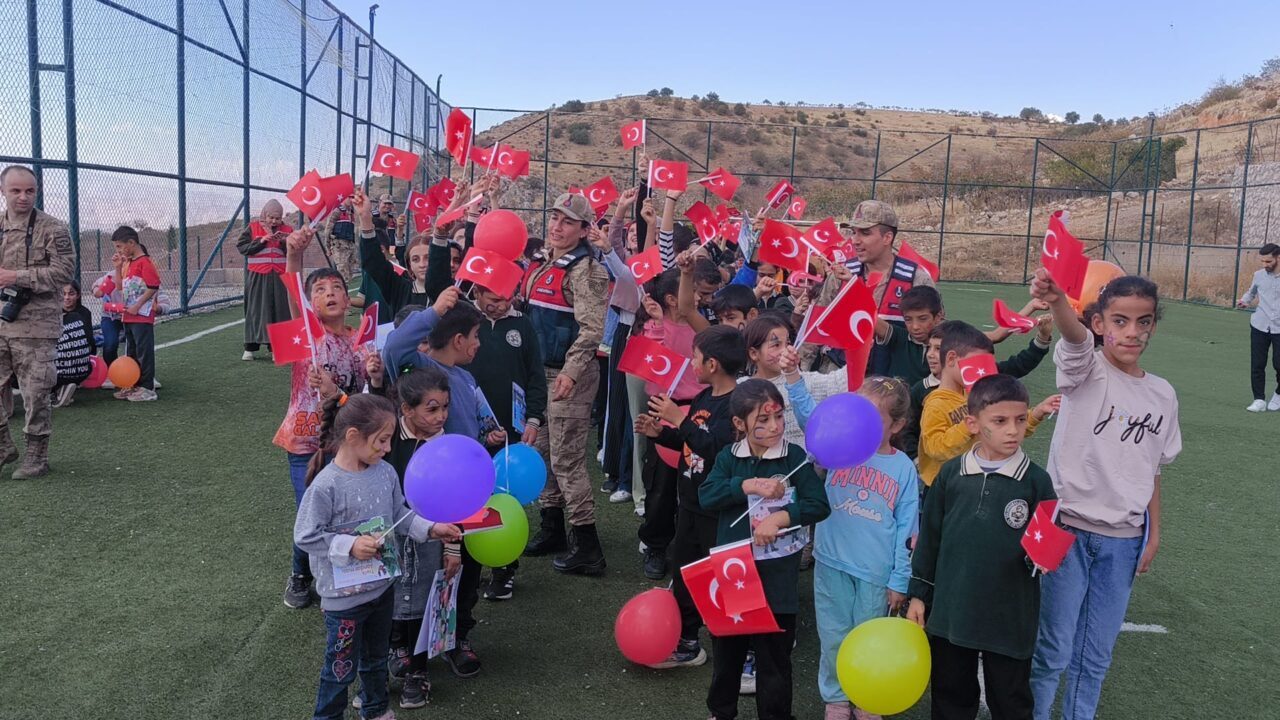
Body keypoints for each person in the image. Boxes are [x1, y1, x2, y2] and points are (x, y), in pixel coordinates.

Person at [1028, 273, 1182, 720]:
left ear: (1153, 325)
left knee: (1094, 657)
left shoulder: (1163, 395)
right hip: (1064, 532)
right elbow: (1074, 340)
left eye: (1143, 321)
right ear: (1099, 323)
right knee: (1053, 650)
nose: (1132, 332)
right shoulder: (1086, 370)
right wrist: (1058, 302)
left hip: (1124, 542)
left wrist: (1152, 534)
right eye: (1120, 320)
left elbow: (1152, 468)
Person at [293, 391, 461, 720]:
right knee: (339, 669)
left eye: (388, 441)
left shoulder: (384, 472)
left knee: (375, 661)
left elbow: (401, 514)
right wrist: (350, 546)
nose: (387, 449)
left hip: (382, 590)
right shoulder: (326, 485)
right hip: (344, 603)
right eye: (382, 441)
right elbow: (306, 535)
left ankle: (375, 710)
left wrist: (433, 529)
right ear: (353, 436)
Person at [907, 374, 1057, 720]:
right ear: (973, 424)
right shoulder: (951, 475)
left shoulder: (1037, 482)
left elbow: (1047, 545)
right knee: (950, 697)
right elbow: (929, 539)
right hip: (952, 612)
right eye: (1000, 421)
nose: (1013, 430)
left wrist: (1047, 557)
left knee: (1011, 700)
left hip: (1009, 617)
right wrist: (919, 594)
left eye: (1020, 420)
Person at [698, 379, 831, 720]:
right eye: (763, 420)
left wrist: (783, 517)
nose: (774, 426)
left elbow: (819, 505)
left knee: (775, 660)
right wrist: (745, 485)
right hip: (735, 570)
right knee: (728, 653)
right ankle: (721, 711)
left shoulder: (795, 457)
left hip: (777, 579)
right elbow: (706, 496)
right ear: (740, 424)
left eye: (778, 416)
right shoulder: (730, 457)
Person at [274, 226, 381, 610]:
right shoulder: (307, 334)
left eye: (336, 287)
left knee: (347, 511)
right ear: (311, 304)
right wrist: (294, 255)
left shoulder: (363, 340)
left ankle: (344, 571)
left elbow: (371, 400)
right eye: (319, 290)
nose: (330, 293)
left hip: (349, 443)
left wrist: (373, 374)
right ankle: (300, 574)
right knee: (312, 512)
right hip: (305, 442)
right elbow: (292, 287)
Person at [636, 325, 745, 669]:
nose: (690, 363)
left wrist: (679, 419)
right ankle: (687, 643)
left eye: (695, 357)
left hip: (719, 512)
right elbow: (690, 443)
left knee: (728, 581)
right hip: (690, 506)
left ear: (712, 364)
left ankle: (742, 649)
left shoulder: (737, 406)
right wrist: (661, 433)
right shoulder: (703, 397)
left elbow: (718, 449)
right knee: (685, 575)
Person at [814, 376, 919, 720]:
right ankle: (837, 698)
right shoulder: (840, 448)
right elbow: (808, 420)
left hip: (875, 573)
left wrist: (899, 581)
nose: (860, 423)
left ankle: (866, 698)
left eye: (873, 418)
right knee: (832, 636)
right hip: (831, 562)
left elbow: (908, 530)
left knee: (869, 640)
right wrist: (793, 379)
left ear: (898, 425)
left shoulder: (903, 468)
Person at [520, 192, 610, 576]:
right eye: (555, 218)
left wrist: (571, 371)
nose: (557, 226)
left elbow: (592, 330)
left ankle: (587, 544)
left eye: (568, 221)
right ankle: (553, 526)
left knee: (567, 459)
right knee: (542, 451)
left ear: (584, 229)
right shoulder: (544, 262)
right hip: (540, 373)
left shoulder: (585, 269)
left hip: (567, 374)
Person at [463, 282, 548, 601]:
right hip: (472, 430)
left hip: (511, 433)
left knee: (505, 497)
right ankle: (471, 561)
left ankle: (504, 567)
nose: (500, 304)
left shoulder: (523, 325)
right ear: (478, 295)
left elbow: (535, 376)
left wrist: (534, 419)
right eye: (493, 298)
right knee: (473, 494)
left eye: (505, 298)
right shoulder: (467, 323)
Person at [382, 366, 456, 708]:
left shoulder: (447, 446)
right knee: (385, 602)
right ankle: (378, 670)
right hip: (387, 536)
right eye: (431, 408)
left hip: (432, 535)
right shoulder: (385, 438)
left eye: (444, 407)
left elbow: (459, 500)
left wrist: (453, 547)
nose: (440, 416)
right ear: (406, 410)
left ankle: (418, 672)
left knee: (426, 603)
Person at [916, 321, 1059, 488]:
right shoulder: (936, 404)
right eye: (976, 363)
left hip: (975, 483)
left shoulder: (973, 394)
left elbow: (1001, 428)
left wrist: (1037, 413)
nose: (982, 370)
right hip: (944, 489)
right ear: (951, 359)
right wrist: (969, 425)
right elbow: (935, 449)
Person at [0, 165, 75, 477]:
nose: (23, 197)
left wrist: (16, 277)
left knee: (35, 392)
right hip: (2, 319)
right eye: (16, 191)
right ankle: (3, 445)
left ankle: (36, 456)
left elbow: (64, 273)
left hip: (38, 326)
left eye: (29, 191)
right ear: (3, 191)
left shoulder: (53, 228)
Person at [635, 268, 707, 580]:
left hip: (699, 410)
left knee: (697, 477)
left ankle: (693, 541)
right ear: (671, 299)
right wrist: (659, 326)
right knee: (662, 482)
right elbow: (649, 363)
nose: (698, 296)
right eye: (690, 290)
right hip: (664, 408)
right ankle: (655, 544)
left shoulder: (701, 326)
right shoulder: (653, 327)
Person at [811, 200, 935, 375]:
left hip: (894, 383)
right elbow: (816, 325)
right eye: (853, 233)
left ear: (887, 237)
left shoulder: (916, 279)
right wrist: (803, 370)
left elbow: (937, 334)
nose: (855, 241)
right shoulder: (840, 275)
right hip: (841, 376)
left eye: (865, 233)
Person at [355, 187, 437, 318]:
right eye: (416, 259)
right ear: (409, 265)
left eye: (428, 257)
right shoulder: (399, 289)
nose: (423, 264)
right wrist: (365, 218)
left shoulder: (447, 292)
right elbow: (374, 262)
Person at [236, 199, 293, 361]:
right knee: (255, 310)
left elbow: (295, 251)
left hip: (280, 276)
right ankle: (250, 348)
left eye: (277, 218)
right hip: (257, 275)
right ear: (264, 214)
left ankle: (276, 349)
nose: (274, 221)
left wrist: (284, 242)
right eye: (271, 217)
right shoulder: (253, 227)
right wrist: (261, 241)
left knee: (280, 311)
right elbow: (242, 247)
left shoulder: (288, 229)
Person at [111, 227, 162, 402]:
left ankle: (147, 387)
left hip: (141, 316)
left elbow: (153, 286)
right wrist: (118, 268)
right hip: (129, 316)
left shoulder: (144, 262)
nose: (118, 251)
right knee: (131, 351)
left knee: (143, 351)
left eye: (119, 246)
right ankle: (132, 384)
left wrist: (137, 306)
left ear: (131, 243)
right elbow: (119, 287)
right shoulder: (128, 263)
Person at [1237, 242, 1280, 412]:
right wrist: (1245, 301)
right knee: (1257, 364)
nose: (1265, 265)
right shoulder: (1259, 275)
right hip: (1259, 325)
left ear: (1278, 258)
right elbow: (1252, 292)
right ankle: (1259, 400)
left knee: (1279, 364)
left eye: (1268, 262)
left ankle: (1278, 393)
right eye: (1262, 261)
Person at [53, 282, 95, 408]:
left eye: (71, 294)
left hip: (60, 367)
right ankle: (64, 387)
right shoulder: (84, 313)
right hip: (83, 370)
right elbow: (90, 341)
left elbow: (89, 340)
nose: (66, 297)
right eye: (63, 294)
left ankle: (53, 392)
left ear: (78, 295)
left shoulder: (84, 313)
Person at [91, 271, 124, 366]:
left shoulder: (138, 276)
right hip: (110, 316)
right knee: (110, 344)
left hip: (132, 315)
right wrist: (98, 291)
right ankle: (112, 369)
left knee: (136, 346)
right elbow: (95, 286)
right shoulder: (111, 276)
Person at [323, 195, 358, 281]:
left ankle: (345, 292)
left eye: (353, 198)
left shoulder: (352, 213)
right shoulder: (337, 211)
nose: (351, 200)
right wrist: (328, 247)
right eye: (349, 197)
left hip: (350, 246)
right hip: (340, 245)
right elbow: (328, 229)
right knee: (342, 272)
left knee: (349, 273)